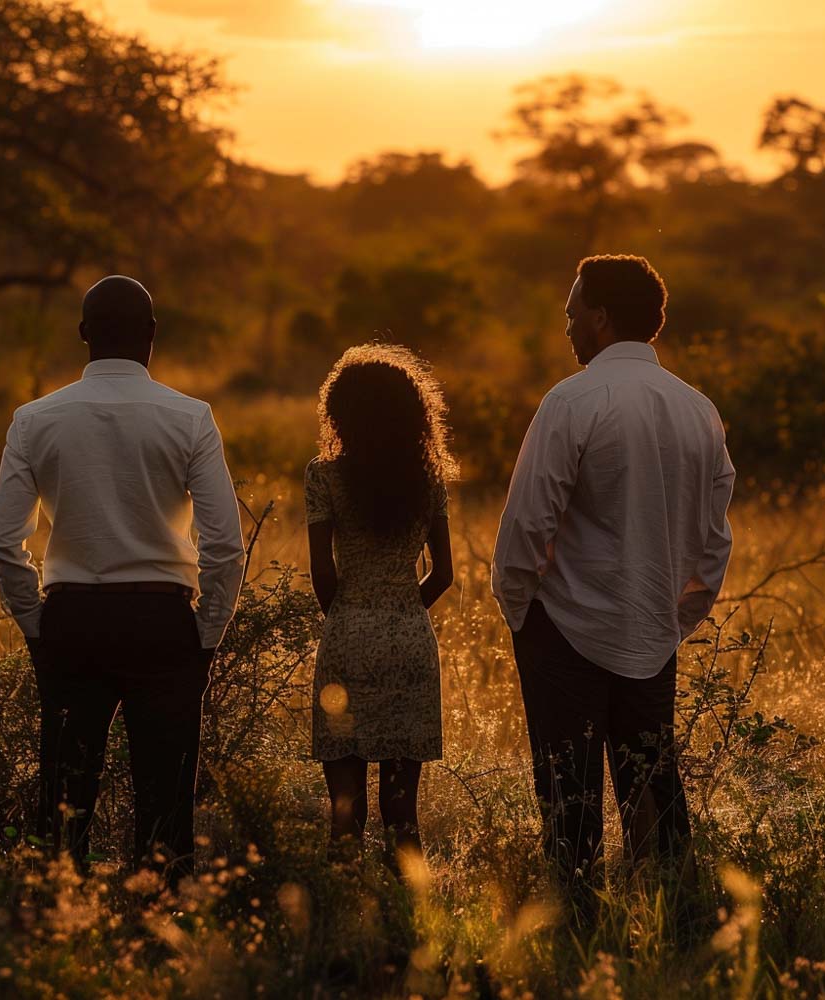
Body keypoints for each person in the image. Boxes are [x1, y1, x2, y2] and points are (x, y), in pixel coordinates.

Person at [491, 254, 734, 922]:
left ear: (599, 318)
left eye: (573, 315)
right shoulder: (699, 410)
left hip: (564, 628)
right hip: (653, 630)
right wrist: (674, 620)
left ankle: (578, 932)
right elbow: (715, 543)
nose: (568, 328)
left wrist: (523, 614)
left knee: (567, 794)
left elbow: (526, 524)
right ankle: (680, 924)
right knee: (653, 786)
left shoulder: (573, 401)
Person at [0, 275, 244, 886]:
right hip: (163, 622)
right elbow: (225, 546)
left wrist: (36, 625)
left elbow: (4, 541)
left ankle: (62, 927)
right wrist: (204, 636)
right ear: (152, 335)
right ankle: (163, 929)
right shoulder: (191, 418)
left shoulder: (33, 420)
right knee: (166, 805)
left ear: (83, 335)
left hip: (72, 620)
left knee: (64, 799)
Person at [304, 344, 456, 872]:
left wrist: (346, 615)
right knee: (402, 813)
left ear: (340, 410)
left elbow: (322, 572)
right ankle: (412, 920)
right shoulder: (429, 478)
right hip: (411, 639)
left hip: (347, 633)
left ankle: (335, 922)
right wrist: (403, 609)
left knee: (344, 812)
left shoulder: (324, 475)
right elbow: (445, 574)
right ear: (413, 412)